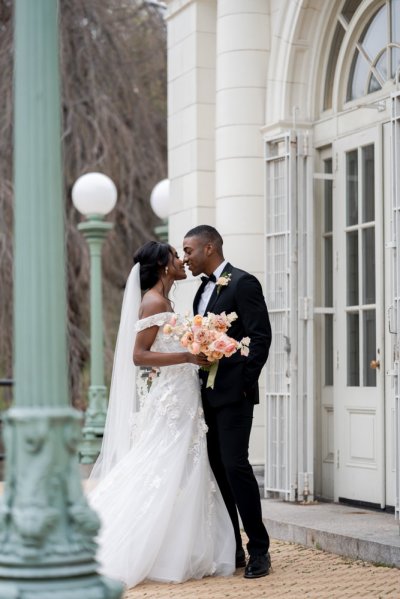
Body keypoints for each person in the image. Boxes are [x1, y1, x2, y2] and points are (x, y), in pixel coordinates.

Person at [88, 240, 235, 589]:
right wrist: (187, 357)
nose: (182, 260)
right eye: (175, 256)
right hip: (173, 398)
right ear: (162, 265)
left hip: (184, 393)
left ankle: (179, 547)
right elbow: (139, 356)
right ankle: (132, 544)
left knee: (182, 467)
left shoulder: (167, 301)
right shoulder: (153, 301)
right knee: (161, 465)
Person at [183, 225, 272, 579]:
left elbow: (260, 338)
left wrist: (243, 383)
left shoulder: (243, 283)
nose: (184, 258)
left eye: (188, 250)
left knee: (236, 466)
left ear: (209, 247)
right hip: (205, 395)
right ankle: (231, 547)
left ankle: (259, 550)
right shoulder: (199, 293)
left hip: (235, 395)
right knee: (218, 471)